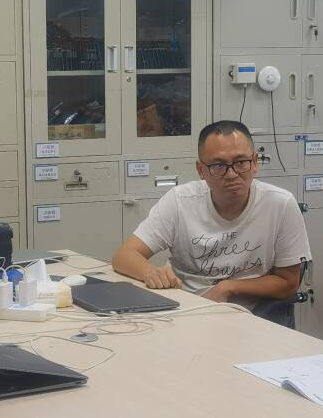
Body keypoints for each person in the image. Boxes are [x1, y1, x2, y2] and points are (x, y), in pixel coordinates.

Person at [111, 120, 311, 311]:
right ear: (201, 170)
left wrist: (228, 287)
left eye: (241, 162)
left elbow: (288, 283)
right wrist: (150, 272)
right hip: (186, 309)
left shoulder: (280, 204)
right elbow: (124, 256)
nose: (231, 174)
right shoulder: (180, 201)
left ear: (255, 162)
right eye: (218, 165)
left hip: (252, 314)